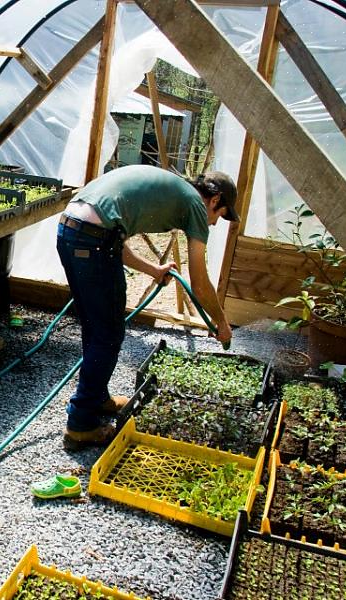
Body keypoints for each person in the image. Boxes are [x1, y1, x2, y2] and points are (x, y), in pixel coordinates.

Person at [56, 164, 237, 450]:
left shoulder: (169, 189)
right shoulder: (195, 205)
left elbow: (113, 235)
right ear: (214, 201)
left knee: (96, 326)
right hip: (92, 239)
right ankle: (80, 425)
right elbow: (200, 282)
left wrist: (153, 270)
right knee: (108, 334)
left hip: (71, 229)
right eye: (220, 215)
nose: (214, 223)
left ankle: (97, 398)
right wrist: (222, 323)